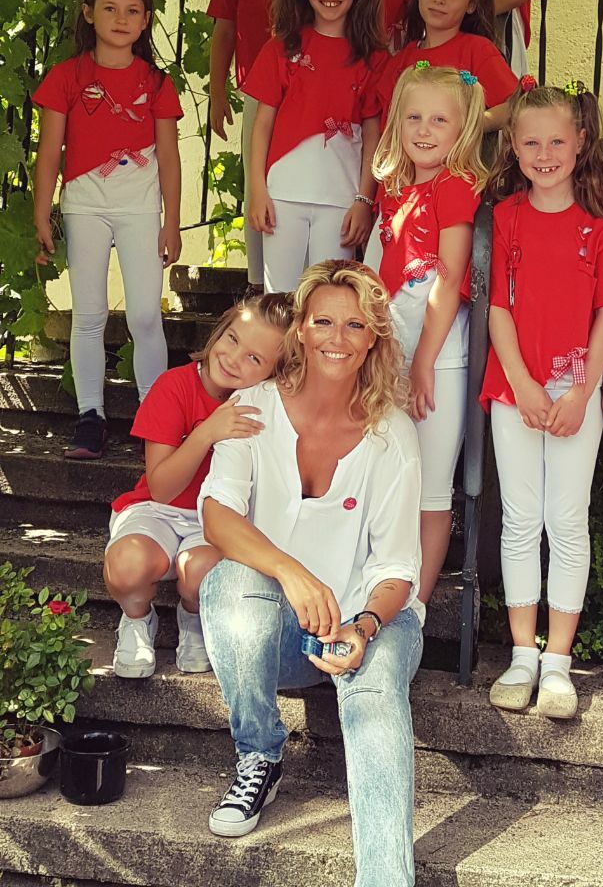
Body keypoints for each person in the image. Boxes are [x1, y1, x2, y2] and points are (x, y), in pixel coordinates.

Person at [198, 260, 423, 887]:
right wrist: (292, 573)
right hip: (285, 634)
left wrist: (364, 625)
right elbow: (217, 515)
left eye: (355, 325)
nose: (336, 338)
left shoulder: (392, 434)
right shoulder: (253, 408)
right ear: (300, 328)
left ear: (373, 338)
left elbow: (397, 568)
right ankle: (260, 753)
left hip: (373, 621)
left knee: (374, 704)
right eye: (323, 321)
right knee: (225, 583)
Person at [480, 81, 603, 719]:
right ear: (513, 147)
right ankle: (523, 655)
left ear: (580, 142)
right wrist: (521, 384)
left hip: (576, 392)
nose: (543, 154)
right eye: (530, 143)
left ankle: (558, 664)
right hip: (513, 389)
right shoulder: (505, 218)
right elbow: (497, 309)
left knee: (567, 520)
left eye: (556, 141)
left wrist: (583, 390)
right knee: (520, 520)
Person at [32, 0, 183, 461]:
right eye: (110, 8)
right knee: (90, 314)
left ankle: (154, 416)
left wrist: (172, 220)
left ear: (146, 20)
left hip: (140, 209)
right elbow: (49, 152)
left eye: (133, 10)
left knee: (145, 315)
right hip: (84, 207)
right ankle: (90, 417)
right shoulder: (66, 77)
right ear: (88, 14)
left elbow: (169, 157)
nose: (121, 19)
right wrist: (42, 213)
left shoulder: (157, 82)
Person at [103, 292, 291, 678]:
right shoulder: (174, 385)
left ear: (274, 372)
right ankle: (137, 619)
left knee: (202, 571)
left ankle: (193, 617)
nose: (233, 358)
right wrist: (207, 432)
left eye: (254, 358)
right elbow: (162, 489)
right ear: (220, 330)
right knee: (127, 564)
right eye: (233, 339)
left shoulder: (265, 404)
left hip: (215, 521)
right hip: (156, 510)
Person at [371, 63, 486, 603]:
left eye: (439, 120)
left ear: (462, 127)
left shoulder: (454, 186)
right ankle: (381, 589)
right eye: (413, 117)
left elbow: (449, 277)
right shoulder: (394, 189)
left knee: (431, 490)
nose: (423, 129)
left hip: (437, 359)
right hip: (391, 353)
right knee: (385, 478)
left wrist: (422, 361)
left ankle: (415, 605)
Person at [243, 0, 387, 292]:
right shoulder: (280, 49)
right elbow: (262, 125)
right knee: (279, 300)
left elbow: (373, 134)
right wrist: (257, 190)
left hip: (341, 199)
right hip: (282, 195)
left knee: (327, 299)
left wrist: (364, 199)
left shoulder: (373, 58)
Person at [207, 0, 312, 290]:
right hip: (258, 92)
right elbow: (223, 34)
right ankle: (259, 280)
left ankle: (309, 274)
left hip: (308, 88)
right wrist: (217, 93)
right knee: (259, 180)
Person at [375, 0, 517, 134]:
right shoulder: (400, 60)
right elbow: (385, 128)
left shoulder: (477, 50)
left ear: (471, 4)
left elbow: (516, 106)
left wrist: (468, 128)